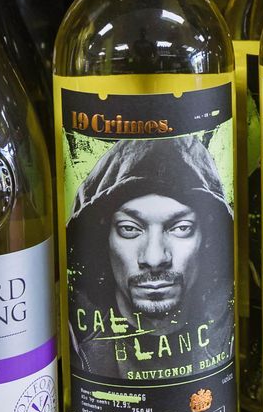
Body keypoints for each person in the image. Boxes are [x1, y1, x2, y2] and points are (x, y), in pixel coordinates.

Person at [66, 136, 232, 379]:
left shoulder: (231, 331)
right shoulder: (76, 341)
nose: (154, 258)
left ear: (207, 239)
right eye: (130, 229)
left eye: (181, 228)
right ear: (104, 239)